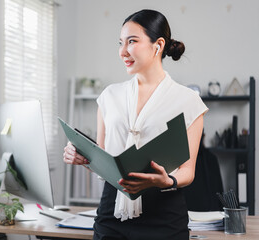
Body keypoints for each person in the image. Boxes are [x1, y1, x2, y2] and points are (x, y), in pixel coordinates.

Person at [63, 9, 208, 240]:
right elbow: (103, 160)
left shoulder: (189, 102)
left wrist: (167, 180)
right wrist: (83, 157)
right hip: (112, 214)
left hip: (164, 215)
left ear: (158, 45)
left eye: (132, 41)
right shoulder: (109, 96)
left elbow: (187, 172)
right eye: (120, 43)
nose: (123, 52)